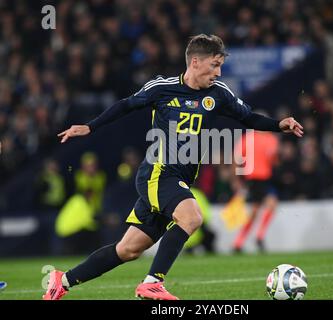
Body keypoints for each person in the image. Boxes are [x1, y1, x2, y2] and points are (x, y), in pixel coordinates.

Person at [43, 34, 303, 300]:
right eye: (214, 65)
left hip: (179, 178)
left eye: (220, 66)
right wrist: (90, 126)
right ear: (195, 62)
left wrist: (278, 125)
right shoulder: (162, 88)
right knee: (192, 217)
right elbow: (126, 105)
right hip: (158, 173)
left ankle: (61, 281)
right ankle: (152, 282)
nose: (219, 72)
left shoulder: (218, 94)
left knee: (128, 250)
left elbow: (248, 117)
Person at [232, 119, 280, 253]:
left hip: (264, 179)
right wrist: (237, 180)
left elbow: (236, 159)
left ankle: (249, 239)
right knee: (256, 211)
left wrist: (236, 179)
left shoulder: (253, 138)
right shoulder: (262, 139)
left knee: (267, 206)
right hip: (254, 178)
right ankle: (241, 241)